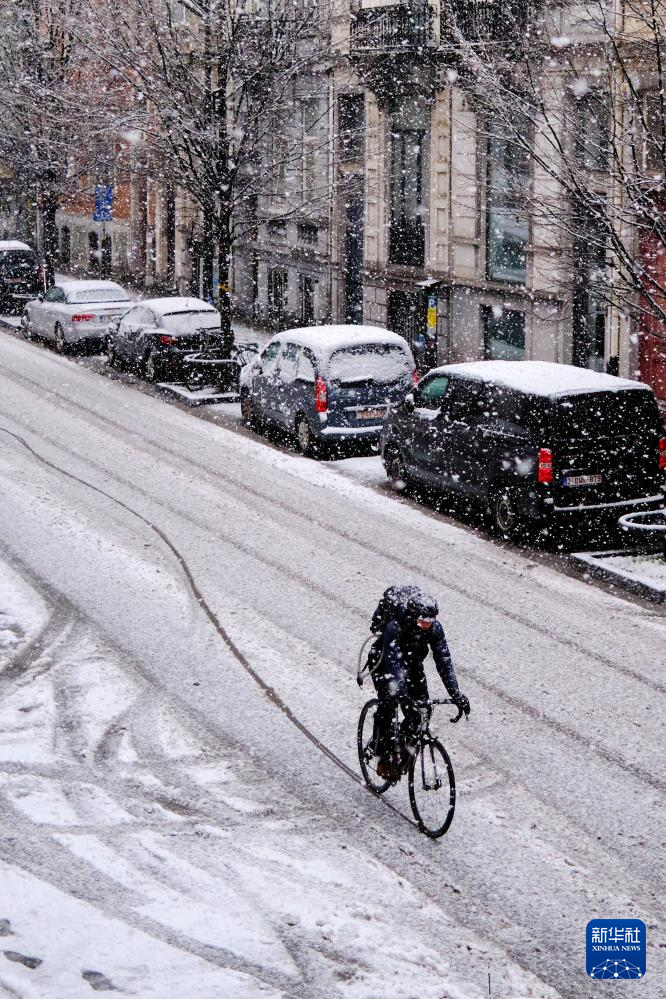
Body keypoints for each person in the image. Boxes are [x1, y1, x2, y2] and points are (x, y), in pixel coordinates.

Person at [363, 586, 470, 782]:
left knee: (422, 711)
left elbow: (443, 660)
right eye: (422, 622)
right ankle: (382, 755)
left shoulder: (434, 629)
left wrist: (456, 693)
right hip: (384, 663)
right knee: (390, 705)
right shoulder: (395, 626)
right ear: (413, 616)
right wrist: (402, 695)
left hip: (412, 665)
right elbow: (393, 663)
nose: (426, 625)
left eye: (430, 621)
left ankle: (404, 752)